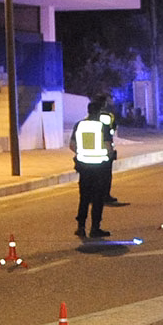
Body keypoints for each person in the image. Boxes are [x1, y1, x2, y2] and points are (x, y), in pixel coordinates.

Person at [71, 100, 113, 238]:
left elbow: (72, 145)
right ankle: (95, 228)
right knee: (97, 199)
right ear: (99, 111)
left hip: (84, 167)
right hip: (99, 168)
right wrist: (109, 155)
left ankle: (81, 227)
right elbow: (108, 147)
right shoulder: (103, 126)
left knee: (84, 198)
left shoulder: (79, 125)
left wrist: (82, 153)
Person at [95, 93, 123, 205]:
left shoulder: (89, 116)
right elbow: (112, 129)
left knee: (95, 177)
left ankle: (94, 197)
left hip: (91, 150)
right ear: (105, 103)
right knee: (106, 175)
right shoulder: (108, 116)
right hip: (105, 149)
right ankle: (105, 196)